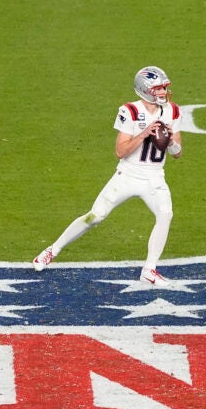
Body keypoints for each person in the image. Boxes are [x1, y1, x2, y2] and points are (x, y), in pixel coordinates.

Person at [32, 66, 183, 286]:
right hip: (128, 175)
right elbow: (120, 152)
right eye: (159, 88)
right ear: (146, 89)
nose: (163, 92)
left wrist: (170, 142)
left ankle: (149, 270)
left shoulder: (173, 111)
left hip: (155, 177)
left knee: (165, 214)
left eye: (164, 88)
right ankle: (51, 251)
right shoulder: (130, 111)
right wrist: (144, 133)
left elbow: (178, 154)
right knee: (96, 215)